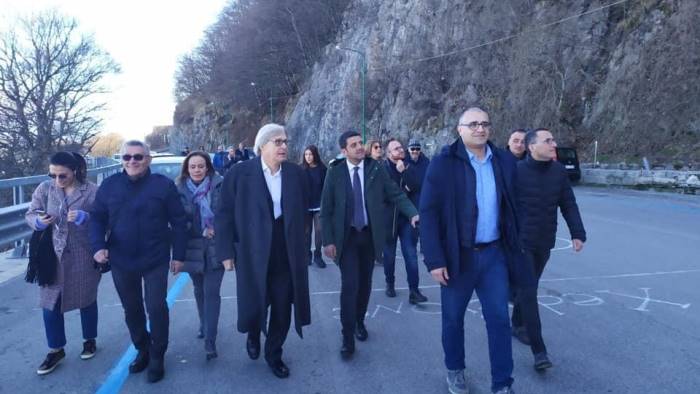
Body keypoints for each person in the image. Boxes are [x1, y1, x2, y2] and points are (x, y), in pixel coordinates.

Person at [420, 107, 519, 394]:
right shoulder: (443, 163)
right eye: (473, 124)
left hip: (493, 256)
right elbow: (428, 212)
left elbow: (515, 207)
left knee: (499, 320)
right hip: (457, 257)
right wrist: (435, 259)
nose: (480, 128)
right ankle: (455, 370)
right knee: (453, 319)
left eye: (485, 123)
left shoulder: (502, 161)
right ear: (459, 129)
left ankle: (502, 383)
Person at [216, 124, 310, 379]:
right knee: (256, 301)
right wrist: (225, 252)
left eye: (285, 142)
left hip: (285, 251)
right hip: (251, 251)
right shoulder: (239, 174)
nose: (283, 146)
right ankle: (253, 332)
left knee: (282, 306)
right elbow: (223, 215)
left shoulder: (295, 174)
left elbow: (304, 210)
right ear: (262, 146)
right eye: (277, 141)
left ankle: (274, 353)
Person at [90, 140, 187, 383]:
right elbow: (97, 219)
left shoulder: (163, 185)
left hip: (155, 257)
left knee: (156, 307)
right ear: (121, 160)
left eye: (138, 157)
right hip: (121, 259)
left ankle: (157, 355)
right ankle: (142, 348)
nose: (132, 161)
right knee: (131, 309)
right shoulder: (109, 186)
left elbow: (178, 221)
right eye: (127, 157)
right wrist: (98, 247)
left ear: (148, 159)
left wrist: (180, 255)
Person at [321, 130, 418, 359]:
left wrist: (413, 213)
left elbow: (396, 194)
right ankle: (346, 338)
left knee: (365, 284)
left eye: (360, 143)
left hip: (369, 236)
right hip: (346, 238)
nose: (359, 148)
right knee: (350, 285)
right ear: (344, 151)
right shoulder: (335, 173)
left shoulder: (376, 170)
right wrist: (328, 241)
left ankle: (359, 322)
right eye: (353, 145)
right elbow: (326, 210)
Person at [510, 128, 586, 371]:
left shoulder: (559, 172)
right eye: (548, 140)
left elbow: (568, 204)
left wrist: (577, 233)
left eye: (553, 139)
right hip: (521, 243)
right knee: (530, 291)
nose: (554, 144)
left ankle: (517, 323)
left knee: (528, 287)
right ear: (531, 147)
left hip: (545, 241)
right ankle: (539, 351)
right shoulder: (516, 172)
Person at [25, 152, 100, 375]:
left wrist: (85, 218)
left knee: (87, 300)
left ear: (75, 171)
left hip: (82, 254)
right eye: (53, 174)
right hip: (51, 255)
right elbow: (31, 213)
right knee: (50, 304)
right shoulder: (45, 189)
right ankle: (56, 349)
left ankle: (89, 339)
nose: (57, 180)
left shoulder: (92, 191)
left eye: (63, 175)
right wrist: (38, 221)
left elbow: (104, 219)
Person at [175, 151, 225, 361]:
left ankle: (210, 340)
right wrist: (200, 229)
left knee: (211, 292)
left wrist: (218, 229)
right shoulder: (178, 189)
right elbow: (177, 221)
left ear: (208, 168)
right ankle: (203, 324)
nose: (197, 170)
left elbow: (227, 213)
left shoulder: (220, 185)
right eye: (193, 166)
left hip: (216, 246)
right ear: (187, 169)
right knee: (198, 289)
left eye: (201, 166)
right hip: (192, 247)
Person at [382, 138, 428, 304]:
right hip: (389, 219)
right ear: (388, 154)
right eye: (396, 149)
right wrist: (404, 190)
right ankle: (390, 283)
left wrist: (405, 172)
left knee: (411, 254)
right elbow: (387, 194)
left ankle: (414, 291)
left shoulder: (408, 166)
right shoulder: (383, 169)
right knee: (389, 255)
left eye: (401, 148)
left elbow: (417, 185)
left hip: (408, 219)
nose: (400, 151)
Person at [301, 145, 327, 268]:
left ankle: (318, 255)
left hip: (319, 206)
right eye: (306, 154)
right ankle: (306, 255)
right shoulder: (301, 169)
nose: (308, 157)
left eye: (310, 154)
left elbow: (327, 188)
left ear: (315, 155)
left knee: (319, 231)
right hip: (305, 207)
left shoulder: (322, 169)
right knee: (306, 233)